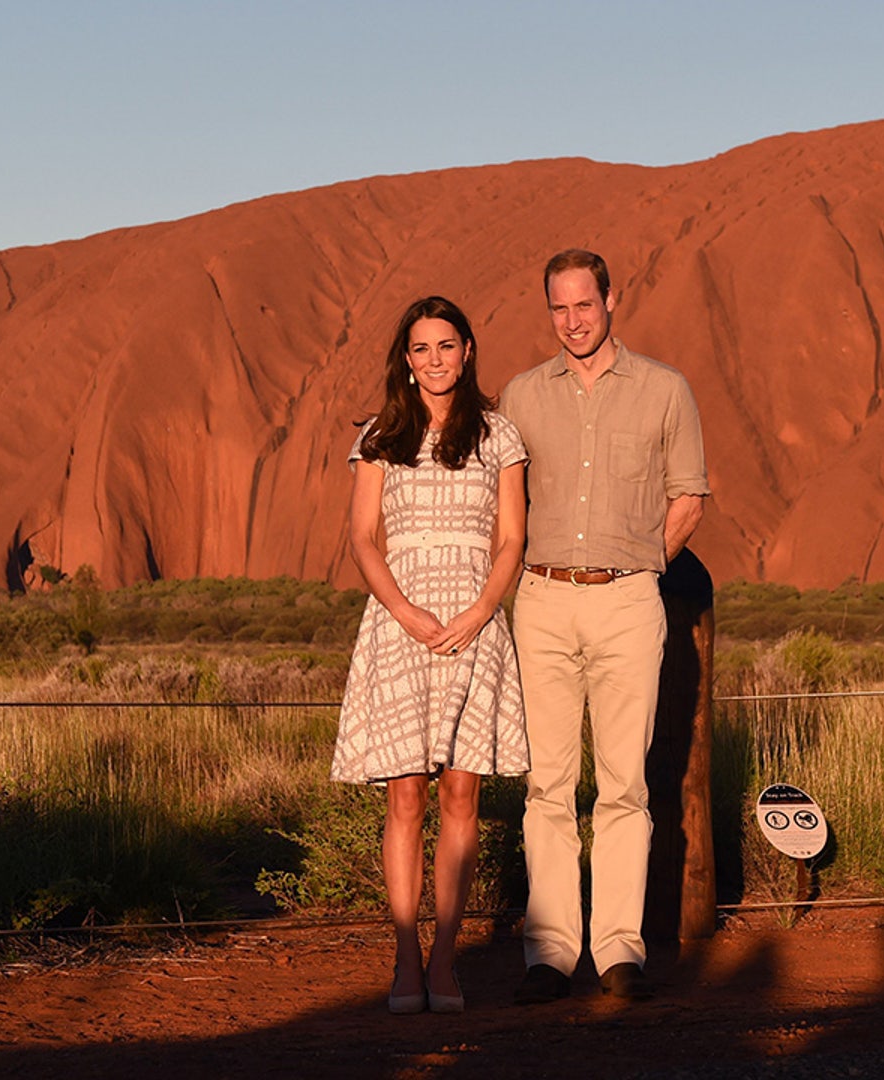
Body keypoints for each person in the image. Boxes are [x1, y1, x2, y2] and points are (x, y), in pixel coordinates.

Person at [501, 249, 710, 1003]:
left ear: (611, 300)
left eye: (583, 305)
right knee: (548, 784)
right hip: (545, 599)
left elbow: (688, 494)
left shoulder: (663, 390)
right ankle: (550, 952)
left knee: (624, 784)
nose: (572, 322)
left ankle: (619, 948)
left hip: (627, 600)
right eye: (558, 308)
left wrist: (640, 563)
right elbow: (505, 504)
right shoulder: (522, 396)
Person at [331, 295, 530, 1015]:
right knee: (406, 795)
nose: (435, 359)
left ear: (468, 351)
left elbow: (511, 538)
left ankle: (447, 957)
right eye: (421, 348)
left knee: (460, 795)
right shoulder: (381, 435)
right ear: (405, 360)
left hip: (475, 626)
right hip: (399, 624)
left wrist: (480, 611)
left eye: (447, 345)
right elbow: (362, 539)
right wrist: (405, 610)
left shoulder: (500, 436)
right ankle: (405, 956)